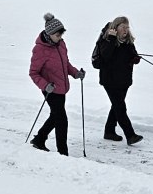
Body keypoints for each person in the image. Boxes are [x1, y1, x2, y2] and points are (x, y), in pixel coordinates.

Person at [28, 13, 85, 155]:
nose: (60, 38)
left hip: (61, 88)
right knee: (62, 120)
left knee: (55, 116)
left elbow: (65, 64)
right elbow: (33, 73)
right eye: (57, 35)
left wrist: (76, 73)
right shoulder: (40, 49)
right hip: (50, 89)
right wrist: (45, 85)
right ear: (49, 34)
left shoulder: (61, 44)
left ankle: (39, 139)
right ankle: (63, 153)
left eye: (61, 35)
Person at [94, 16, 143, 145]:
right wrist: (111, 38)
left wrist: (135, 59)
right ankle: (130, 135)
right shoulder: (106, 40)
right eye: (123, 27)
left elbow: (132, 54)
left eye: (127, 27)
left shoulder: (128, 42)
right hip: (110, 81)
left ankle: (109, 131)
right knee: (120, 108)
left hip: (124, 80)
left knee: (116, 106)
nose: (125, 30)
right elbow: (106, 55)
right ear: (115, 28)